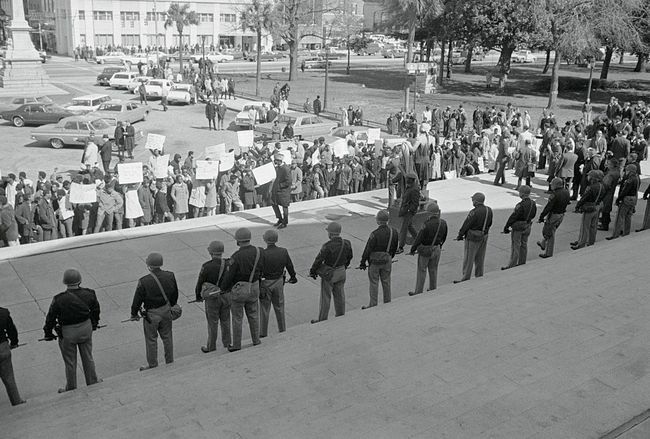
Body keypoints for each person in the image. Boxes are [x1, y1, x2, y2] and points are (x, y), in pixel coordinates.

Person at [43, 269, 101, 393]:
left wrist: (48, 333)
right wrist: (94, 325)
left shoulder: (58, 299)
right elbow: (96, 311)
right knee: (88, 357)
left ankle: (71, 387)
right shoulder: (90, 294)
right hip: (85, 329)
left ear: (65, 282)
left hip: (68, 333)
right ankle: (92, 381)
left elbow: (51, 318)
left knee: (70, 361)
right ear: (80, 280)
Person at [130, 252, 179, 370]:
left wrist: (134, 313)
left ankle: (153, 364)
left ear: (149, 265)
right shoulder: (170, 275)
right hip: (166, 310)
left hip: (152, 314)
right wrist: (171, 305)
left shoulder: (144, 281)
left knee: (151, 339)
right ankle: (170, 361)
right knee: (167, 337)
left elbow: (137, 299)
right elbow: (175, 293)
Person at [220, 228, 263, 352]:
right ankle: (256, 340)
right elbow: (261, 268)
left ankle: (237, 344)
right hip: (254, 286)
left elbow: (229, 276)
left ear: (238, 241)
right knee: (254, 314)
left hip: (240, 289)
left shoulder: (236, 256)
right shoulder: (258, 251)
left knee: (237, 318)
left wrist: (223, 288)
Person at [309, 222, 353, 323]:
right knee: (340, 294)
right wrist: (344, 266)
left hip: (330, 274)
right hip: (342, 271)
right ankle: (341, 315)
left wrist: (313, 271)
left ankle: (322, 319)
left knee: (326, 297)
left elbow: (319, 260)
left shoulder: (327, 246)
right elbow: (350, 257)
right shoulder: (347, 243)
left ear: (330, 233)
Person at [259, 229, 297, 338]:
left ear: (265, 239)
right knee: (279, 306)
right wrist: (293, 276)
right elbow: (289, 265)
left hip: (266, 283)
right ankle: (282, 328)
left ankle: (263, 332)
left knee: (264, 308)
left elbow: (259, 270)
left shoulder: (263, 254)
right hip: (279, 281)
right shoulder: (283, 251)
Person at [194, 241, 231, 353]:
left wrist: (198, 296)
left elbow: (200, 283)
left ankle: (211, 346)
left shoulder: (206, 266)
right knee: (226, 320)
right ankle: (228, 343)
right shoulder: (229, 263)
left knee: (212, 322)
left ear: (211, 252)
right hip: (226, 295)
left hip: (212, 297)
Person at [359, 209, 398, 307]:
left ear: (378, 221)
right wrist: (390, 256)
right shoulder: (394, 231)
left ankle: (373, 304)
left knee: (374, 282)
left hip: (375, 262)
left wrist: (363, 262)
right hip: (387, 259)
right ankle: (387, 301)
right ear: (388, 220)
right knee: (386, 281)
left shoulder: (374, 234)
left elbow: (368, 249)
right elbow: (394, 246)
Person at [408, 201, 447, 295]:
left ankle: (418, 291)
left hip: (426, 250)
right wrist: (439, 246)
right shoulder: (443, 223)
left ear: (429, 213)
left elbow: (419, 238)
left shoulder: (427, 224)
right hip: (437, 248)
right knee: (433, 269)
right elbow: (444, 236)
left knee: (422, 270)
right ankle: (433, 288)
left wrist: (413, 249)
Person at [454, 192, 493, 283]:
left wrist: (460, 235)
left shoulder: (474, 212)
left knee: (469, 258)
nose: (472, 201)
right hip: (484, 235)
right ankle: (479, 275)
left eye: (473, 200)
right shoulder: (489, 210)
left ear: (476, 201)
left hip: (473, 237)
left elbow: (467, 224)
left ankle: (465, 277)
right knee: (480, 257)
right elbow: (490, 223)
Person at [502, 186, 537, 269]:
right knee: (524, 244)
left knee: (515, 246)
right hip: (528, 225)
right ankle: (522, 262)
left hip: (519, 227)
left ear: (522, 193)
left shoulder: (520, 205)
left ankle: (512, 264)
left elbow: (514, 216)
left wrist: (507, 226)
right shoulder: (533, 203)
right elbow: (534, 214)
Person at [537, 177, 571, 258]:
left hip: (554, 215)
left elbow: (548, 207)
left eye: (552, 183)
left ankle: (548, 253)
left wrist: (542, 216)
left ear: (556, 185)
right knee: (549, 230)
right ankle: (543, 242)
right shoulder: (566, 192)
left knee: (550, 233)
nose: (550, 185)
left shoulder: (554, 194)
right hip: (561, 214)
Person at [572, 170, 605, 249]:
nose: (587, 177)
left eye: (589, 176)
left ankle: (581, 243)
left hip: (589, 207)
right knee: (593, 226)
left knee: (585, 227)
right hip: (597, 206)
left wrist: (578, 206)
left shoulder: (591, 187)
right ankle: (591, 242)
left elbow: (584, 198)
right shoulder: (602, 186)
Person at [607, 164, 640, 240]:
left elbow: (625, 190)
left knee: (620, 217)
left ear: (630, 171)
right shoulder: (637, 177)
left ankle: (615, 234)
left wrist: (619, 199)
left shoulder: (630, 179)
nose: (626, 172)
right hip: (633, 198)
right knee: (628, 217)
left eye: (627, 170)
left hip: (627, 199)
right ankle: (626, 233)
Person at [0, 306, 25, 405]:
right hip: (2, 347)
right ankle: (16, 401)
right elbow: (11, 330)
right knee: (9, 377)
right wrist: (14, 342)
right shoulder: (3, 312)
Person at [396, 172, 420, 254]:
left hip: (408, 212)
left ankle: (401, 247)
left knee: (403, 229)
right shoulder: (409, 187)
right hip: (406, 211)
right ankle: (419, 241)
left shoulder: (414, 190)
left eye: (408, 179)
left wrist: (410, 211)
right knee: (410, 227)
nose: (406, 181)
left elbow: (415, 203)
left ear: (411, 180)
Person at [271, 153, 291, 229]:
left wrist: (279, 186)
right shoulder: (278, 167)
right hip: (277, 191)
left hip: (283, 192)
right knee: (274, 204)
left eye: (275, 160)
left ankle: (285, 222)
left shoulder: (285, 169)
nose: (274, 162)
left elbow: (288, 182)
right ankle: (280, 219)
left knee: (284, 207)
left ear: (279, 160)